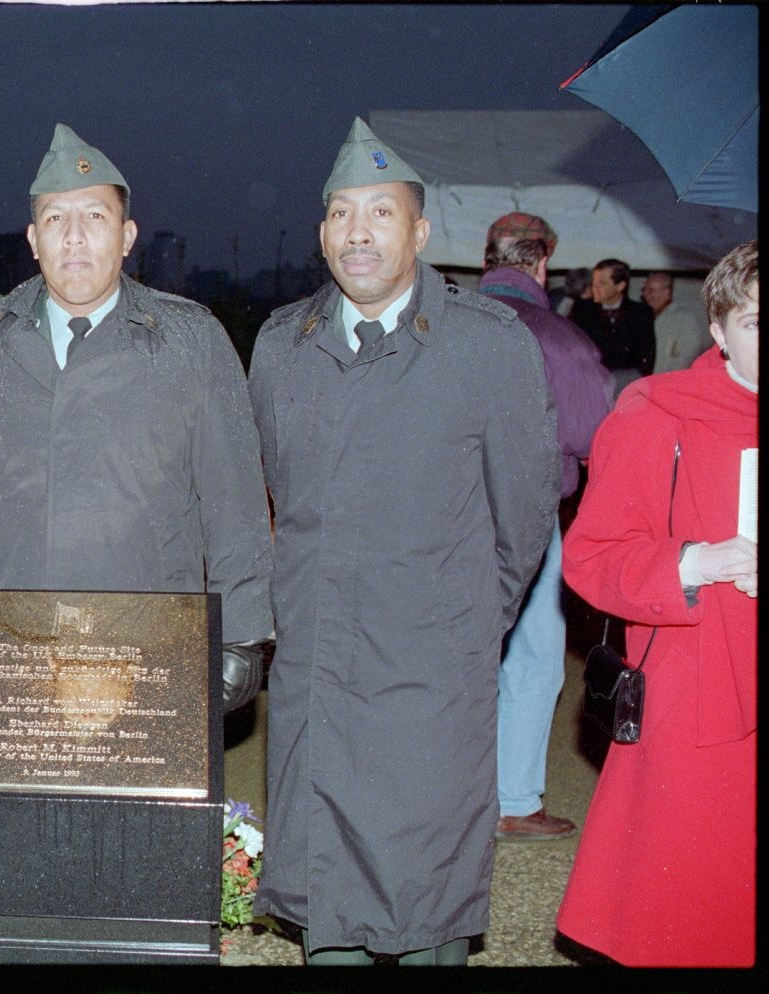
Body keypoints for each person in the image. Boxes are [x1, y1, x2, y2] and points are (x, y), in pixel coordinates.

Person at [247, 118, 559, 965]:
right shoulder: (283, 347)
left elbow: (525, 515)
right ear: (321, 234)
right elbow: (277, 493)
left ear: (419, 231)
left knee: (425, 898)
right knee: (326, 896)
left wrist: (462, 620)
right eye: (342, 214)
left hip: (431, 672)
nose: (358, 232)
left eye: (380, 214)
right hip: (317, 663)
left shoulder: (487, 346)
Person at [0, 123, 272, 709]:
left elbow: (235, 500)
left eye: (94, 218)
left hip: (152, 644)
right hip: (18, 646)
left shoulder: (188, 341)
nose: (73, 238)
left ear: (126, 236)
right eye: (54, 220)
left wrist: (242, 634)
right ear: (32, 239)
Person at [556, 240, 757, 967]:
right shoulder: (657, 413)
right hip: (697, 682)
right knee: (684, 914)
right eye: (758, 323)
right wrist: (696, 562)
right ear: (719, 328)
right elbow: (592, 556)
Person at [478, 213, 614, 841]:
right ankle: (513, 801)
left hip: (435, 514)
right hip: (527, 517)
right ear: (541, 265)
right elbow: (594, 439)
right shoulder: (563, 340)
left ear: (488, 261)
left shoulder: (442, 324)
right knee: (532, 656)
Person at [569, 258, 656, 394]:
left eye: (601, 283)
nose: (594, 288)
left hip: (625, 386)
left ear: (620, 285)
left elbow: (646, 357)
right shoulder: (581, 309)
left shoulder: (641, 313)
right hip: (590, 384)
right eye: (594, 282)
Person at [644, 270, 711, 373]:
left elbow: (687, 357)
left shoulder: (684, 319)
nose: (646, 294)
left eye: (651, 290)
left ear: (667, 292)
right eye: (644, 290)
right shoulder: (644, 316)